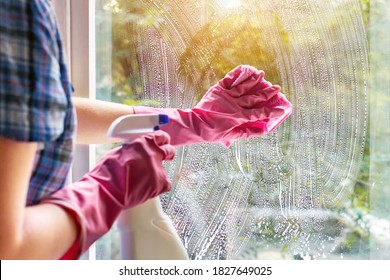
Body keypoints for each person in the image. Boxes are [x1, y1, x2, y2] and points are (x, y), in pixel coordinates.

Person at [0, 0, 292, 260]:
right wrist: (111, 186)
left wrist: (192, 122)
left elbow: (43, 115)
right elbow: (9, 251)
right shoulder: (17, 12)